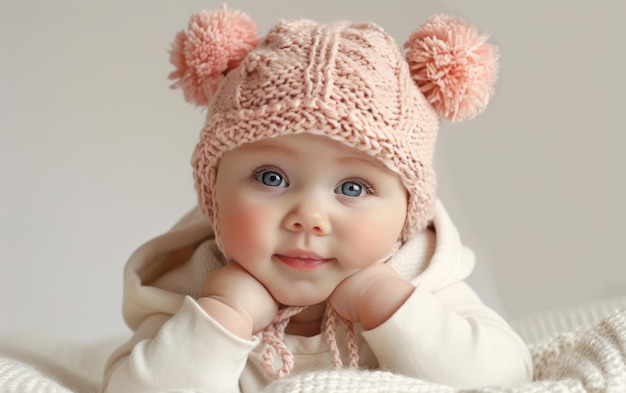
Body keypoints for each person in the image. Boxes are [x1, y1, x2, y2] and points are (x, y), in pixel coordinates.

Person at [101, 5, 533, 392]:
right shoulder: (195, 285)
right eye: (271, 177)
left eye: (352, 188)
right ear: (214, 193)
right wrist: (223, 316)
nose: (309, 217)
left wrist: (389, 303)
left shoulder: (419, 276)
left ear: (407, 211)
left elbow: (506, 377)